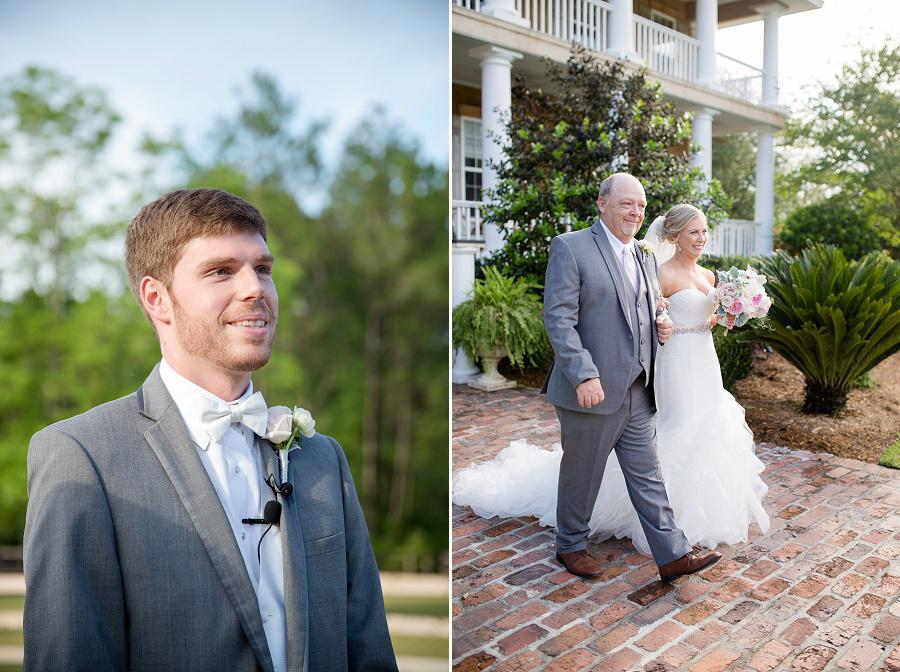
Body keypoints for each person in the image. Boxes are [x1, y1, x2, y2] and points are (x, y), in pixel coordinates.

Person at [23, 188, 398, 671]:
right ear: (158, 298)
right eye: (221, 271)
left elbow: (368, 650)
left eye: (263, 268)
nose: (255, 288)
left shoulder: (322, 459)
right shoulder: (82, 457)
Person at [453, 201, 769, 562]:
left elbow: (651, 311)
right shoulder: (571, 246)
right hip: (595, 384)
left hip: (643, 383)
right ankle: (570, 546)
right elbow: (558, 319)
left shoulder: (643, 256)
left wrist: (669, 322)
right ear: (602, 204)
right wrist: (583, 374)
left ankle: (673, 556)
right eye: (626, 204)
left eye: (641, 206)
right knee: (583, 471)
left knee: (648, 474)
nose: (635, 212)